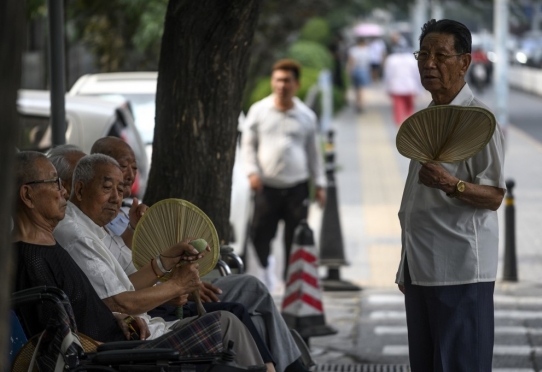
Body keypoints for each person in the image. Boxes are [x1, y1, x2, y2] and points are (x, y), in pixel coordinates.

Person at [12, 151, 266, 367]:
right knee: (226, 323)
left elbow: (86, 308)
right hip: (117, 356)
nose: (62, 191)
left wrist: (118, 318)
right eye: (55, 183)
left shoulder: (48, 244)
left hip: (126, 338)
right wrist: (176, 285)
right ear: (27, 195)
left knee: (229, 323)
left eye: (120, 189)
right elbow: (62, 341)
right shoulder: (36, 255)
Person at [88, 136, 310, 372]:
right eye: (123, 166)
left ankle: (292, 365)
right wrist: (176, 285)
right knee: (238, 309)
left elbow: (150, 261)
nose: (130, 174)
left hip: (169, 287)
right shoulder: (93, 227)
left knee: (252, 289)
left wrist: (181, 269)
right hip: (156, 302)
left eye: (134, 167)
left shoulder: (126, 211)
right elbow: (128, 283)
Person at [395, 19, 506, 372]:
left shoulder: (480, 122)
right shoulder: (429, 116)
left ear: (464, 62)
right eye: (423, 54)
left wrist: (451, 184)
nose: (429, 63)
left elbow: (494, 195)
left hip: (461, 269)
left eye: (440, 55)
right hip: (421, 268)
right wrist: (405, 267)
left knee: (462, 365)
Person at [241, 59, 326, 284]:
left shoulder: (306, 115)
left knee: (295, 239)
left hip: (296, 188)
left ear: (296, 84)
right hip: (266, 186)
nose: (282, 85)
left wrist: (319, 184)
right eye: (278, 80)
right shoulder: (259, 111)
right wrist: (252, 172)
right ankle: (265, 272)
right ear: (272, 82)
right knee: (260, 234)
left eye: (287, 80)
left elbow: (313, 153)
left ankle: (291, 282)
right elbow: (248, 145)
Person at [383, 33, 422, 126]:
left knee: (398, 111)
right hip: (410, 87)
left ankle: (400, 132)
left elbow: (387, 76)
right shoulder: (412, 59)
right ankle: (408, 131)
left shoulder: (391, 59)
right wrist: (419, 89)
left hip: (396, 88)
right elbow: (417, 75)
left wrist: (386, 88)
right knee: (409, 110)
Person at [347, 38, 371, 112]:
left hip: (355, 70)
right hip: (364, 70)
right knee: (362, 89)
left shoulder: (353, 50)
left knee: (356, 88)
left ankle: (358, 103)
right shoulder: (367, 50)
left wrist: (349, 71)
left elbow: (351, 61)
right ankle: (361, 104)